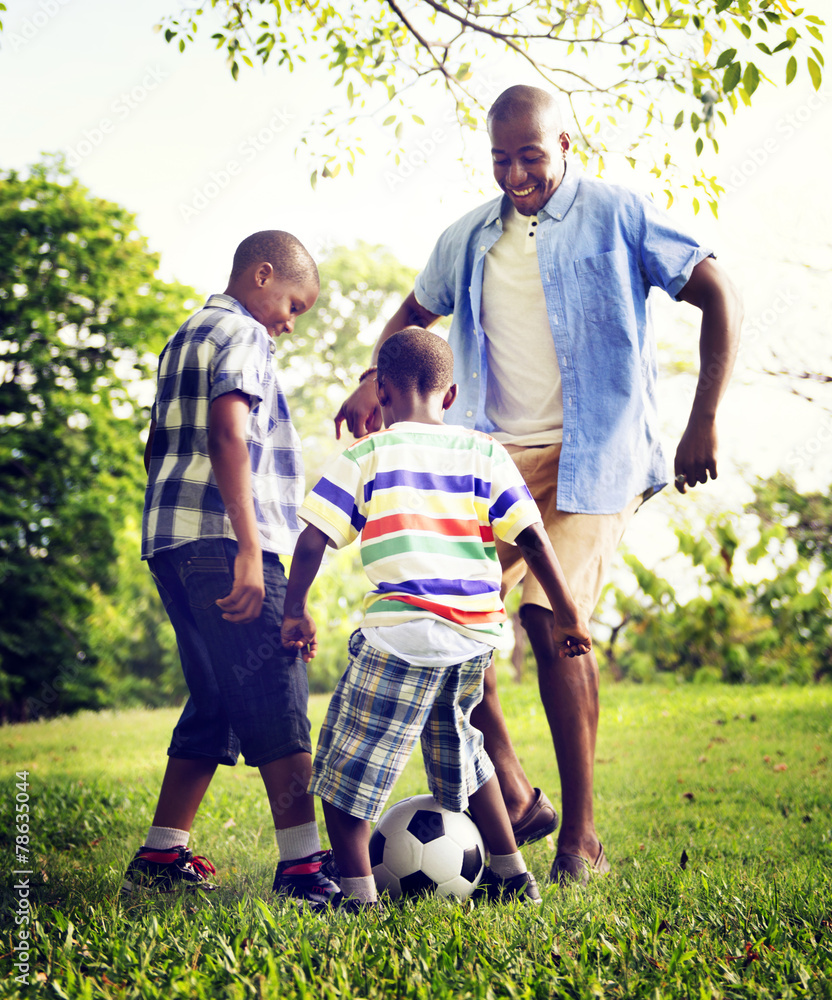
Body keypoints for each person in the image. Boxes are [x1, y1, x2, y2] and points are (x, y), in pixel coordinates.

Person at [334, 86, 743, 884]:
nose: (516, 172)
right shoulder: (470, 237)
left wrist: (705, 420)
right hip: (491, 457)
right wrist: (367, 381)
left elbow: (719, 292)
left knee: (550, 618)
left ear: (566, 145)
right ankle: (516, 796)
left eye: (531, 155)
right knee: (448, 622)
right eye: (500, 158)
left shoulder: (618, 213)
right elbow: (412, 315)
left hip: (597, 453)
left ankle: (580, 835)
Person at [281, 327, 592, 909]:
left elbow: (312, 539)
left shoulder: (364, 454)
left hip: (402, 635)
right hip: (473, 637)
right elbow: (534, 538)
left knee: (342, 773)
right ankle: (512, 875)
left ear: (382, 392)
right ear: (449, 397)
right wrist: (568, 614)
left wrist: (295, 611)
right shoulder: (485, 453)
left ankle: (358, 898)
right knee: (465, 754)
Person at [123, 230, 339, 906]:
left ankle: (162, 854)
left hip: (171, 541)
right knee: (276, 685)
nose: (290, 322)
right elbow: (227, 432)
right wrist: (249, 547)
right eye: (294, 305)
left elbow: (156, 444)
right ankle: (304, 869)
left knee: (217, 694)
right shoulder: (244, 335)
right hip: (222, 540)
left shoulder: (186, 333)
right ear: (263, 275)